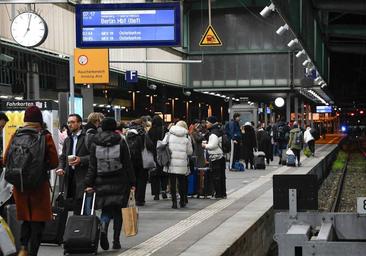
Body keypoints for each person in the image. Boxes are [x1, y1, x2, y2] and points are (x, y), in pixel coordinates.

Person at [3, 106, 58, 256]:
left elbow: (6, 159)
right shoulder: (44, 136)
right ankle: (33, 252)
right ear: (39, 121)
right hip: (38, 186)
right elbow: (54, 162)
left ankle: (23, 248)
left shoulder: (16, 135)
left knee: (25, 220)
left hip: (20, 186)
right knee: (38, 222)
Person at [84, 118, 135, 251]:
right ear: (114, 127)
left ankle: (104, 226)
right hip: (119, 180)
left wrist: (88, 183)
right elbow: (127, 164)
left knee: (106, 209)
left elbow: (92, 166)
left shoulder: (95, 142)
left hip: (101, 181)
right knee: (118, 211)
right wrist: (132, 182)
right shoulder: (120, 141)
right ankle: (116, 241)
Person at [56, 114, 90, 215]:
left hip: (83, 176)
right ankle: (77, 226)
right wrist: (61, 167)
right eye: (69, 122)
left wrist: (81, 160)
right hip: (70, 176)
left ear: (79, 123)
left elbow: (94, 156)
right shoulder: (68, 139)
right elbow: (63, 157)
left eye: (73, 122)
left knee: (83, 204)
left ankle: (85, 226)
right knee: (74, 204)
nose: (70, 124)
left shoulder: (87, 138)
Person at [162, 120, 193, 208]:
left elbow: (163, 145)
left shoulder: (168, 134)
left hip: (171, 162)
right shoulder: (187, 136)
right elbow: (190, 152)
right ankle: (182, 201)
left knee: (172, 183)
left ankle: (174, 202)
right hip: (182, 163)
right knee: (182, 182)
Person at [126, 119, 149, 206]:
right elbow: (149, 145)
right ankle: (140, 199)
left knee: (132, 179)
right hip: (142, 159)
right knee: (142, 179)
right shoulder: (143, 133)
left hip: (131, 160)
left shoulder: (128, 133)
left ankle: (132, 198)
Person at [203, 116, 226, 198]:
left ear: (211, 123)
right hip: (221, 156)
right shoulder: (219, 130)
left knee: (216, 176)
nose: (206, 124)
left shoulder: (214, 133)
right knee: (222, 176)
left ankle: (218, 193)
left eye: (207, 122)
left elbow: (213, 145)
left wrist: (205, 145)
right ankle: (223, 193)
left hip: (216, 157)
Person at [147, 115, 168, 200]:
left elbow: (148, 144)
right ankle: (163, 191)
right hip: (163, 154)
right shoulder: (165, 129)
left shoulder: (150, 131)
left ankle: (156, 194)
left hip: (153, 155)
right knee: (164, 173)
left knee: (154, 175)